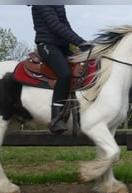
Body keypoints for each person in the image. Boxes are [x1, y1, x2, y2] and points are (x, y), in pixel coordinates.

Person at [31, 5, 86, 134]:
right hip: (47, 45)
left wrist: (83, 43)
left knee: (83, 68)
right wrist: (80, 42)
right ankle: (56, 117)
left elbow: (66, 26)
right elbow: (55, 25)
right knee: (65, 74)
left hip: (63, 48)